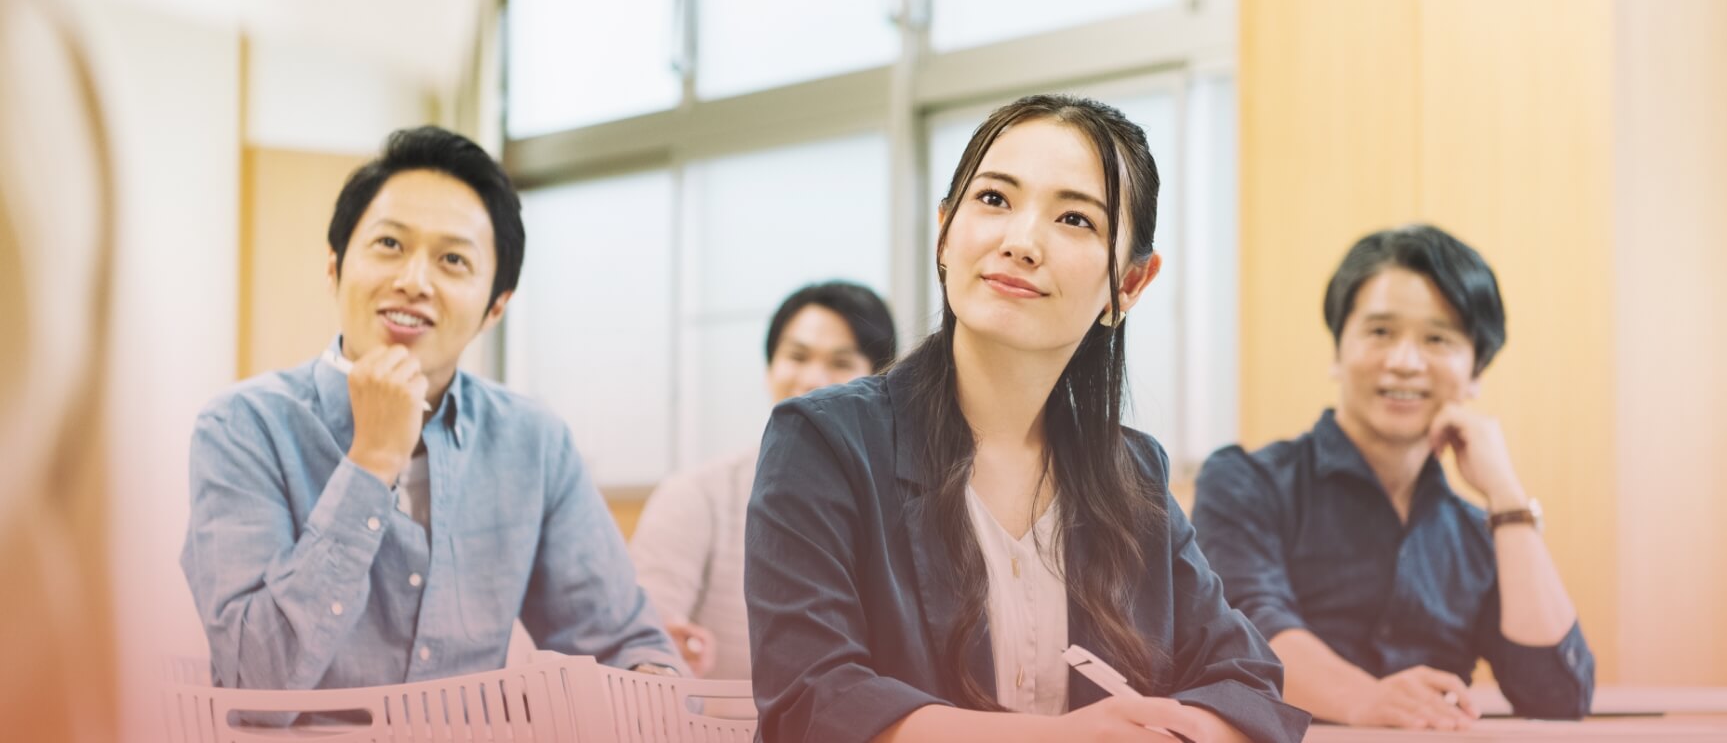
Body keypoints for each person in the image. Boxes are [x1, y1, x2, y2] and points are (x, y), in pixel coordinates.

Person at [745, 94, 1310, 743]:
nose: (1021, 242)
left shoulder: (1134, 473)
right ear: (944, 233)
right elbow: (811, 705)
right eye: (993, 200)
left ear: (1129, 286)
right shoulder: (823, 441)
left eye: (1074, 218)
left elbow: (1250, 684)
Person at [180, 126, 683, 693]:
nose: (413, 281)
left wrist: (654, 678)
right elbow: (256, 681)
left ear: (496, 306)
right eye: (389, 244)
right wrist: (371, 461)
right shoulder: (242, 427)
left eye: (452, 260)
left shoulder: (533, 442)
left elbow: (617, 641)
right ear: (334, 266)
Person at [1192, 224, 1594, 729]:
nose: (1404, 362)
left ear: (1475, 373)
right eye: (1380, 332)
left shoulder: (1479, 533)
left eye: (1437, 339)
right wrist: (1366, 701)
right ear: (1339, 351)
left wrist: (1507, 498)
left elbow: (1558, 694)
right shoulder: (1245, 482)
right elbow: (1247, 628)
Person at [629, 280, 897, 680]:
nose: (812, 379)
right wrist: (665, 652)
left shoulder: (900, 502)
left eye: (840, 363)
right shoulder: (696, 495)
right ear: (770, 366)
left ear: (877, 382)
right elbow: (645, 638)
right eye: (797, 356)